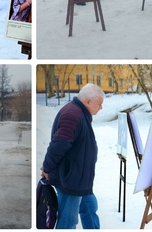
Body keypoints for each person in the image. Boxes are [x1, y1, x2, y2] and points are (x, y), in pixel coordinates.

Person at [41, 83, 104, 229]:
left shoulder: (80, 113)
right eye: (99, 104)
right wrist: (47, 167)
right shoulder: (72, 115)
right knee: (68, 221)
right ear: (88, 101)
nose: (101, 108)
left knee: (90, 210)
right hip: (71, 180)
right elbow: (58, 145)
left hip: (81, 179)